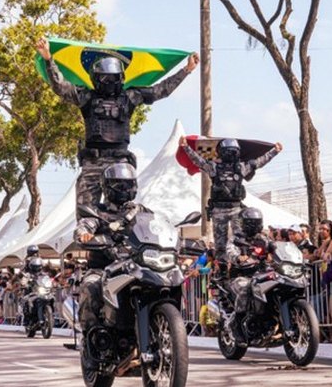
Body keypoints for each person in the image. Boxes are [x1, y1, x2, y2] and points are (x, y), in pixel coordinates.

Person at [36, 37, 198, 219]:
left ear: (120, 78)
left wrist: (186, 70)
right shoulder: (86, 96)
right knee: (86, 216)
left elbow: (161, 90)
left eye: (112, 78)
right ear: (96, 78)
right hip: (93, 163)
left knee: (123, 215)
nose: (109, 81)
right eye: (105, 78)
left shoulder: (129, 96)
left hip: (120, 164)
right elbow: (60, 86)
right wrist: (48, 58)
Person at [179, 135, 281, 266]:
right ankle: (223, 269)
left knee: (240, 240)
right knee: (221, 244)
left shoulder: (234, 167)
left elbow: (259, 162)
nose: (230, 154)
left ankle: (243, 263)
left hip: (234, 210)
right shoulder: (221, 167)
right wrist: (186, 147)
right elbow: (198, 161)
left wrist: (274, 151)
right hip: (222, 210)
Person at [74, 163, 147, 338]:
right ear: (107, 187)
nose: (125, 188)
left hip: (136, 267)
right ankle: (92, 338)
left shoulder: (140, 211)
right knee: (90, 286)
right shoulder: (98, 212)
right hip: (103, 269)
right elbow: (85, 225)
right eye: (119, 184)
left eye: (128, 184)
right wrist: (84, 234)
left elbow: (157, 227)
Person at [223, 206, 273, 345]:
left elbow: (275, 249)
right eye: (252, 222)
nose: (255, 225)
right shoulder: (236, 238)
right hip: (241, 275)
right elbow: (230, 252)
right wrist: (238, 258)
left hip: (262, 274)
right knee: (245, 288)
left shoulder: (264, 238)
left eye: (257, 222)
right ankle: (237, 324)